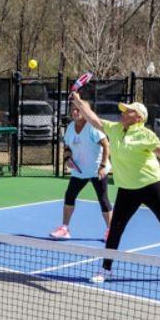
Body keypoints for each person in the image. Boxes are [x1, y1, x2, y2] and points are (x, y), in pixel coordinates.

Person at [71, 97, 160, 282]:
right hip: (127, 189)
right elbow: (93, 118)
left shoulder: (146, 135)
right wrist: (77, 101)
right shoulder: (115, 129)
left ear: (139, 118)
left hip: (151, 185)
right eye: (124, 110)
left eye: (128, 111)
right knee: (115, 228)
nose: (123, 112)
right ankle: (106, 269)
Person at [50, 103, 113, 241]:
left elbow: (106, 145)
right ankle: (65, 229)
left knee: (103, 199)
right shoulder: (70, 128)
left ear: (86, 111)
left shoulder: (92, 127)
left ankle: (111, 231)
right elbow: (67, 146)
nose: (75, 111)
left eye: (78, 109)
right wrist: (67, 158)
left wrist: (103, 166)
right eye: (73, 109)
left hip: (97, 170)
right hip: (80, 171)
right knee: (69, 195)